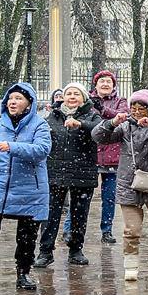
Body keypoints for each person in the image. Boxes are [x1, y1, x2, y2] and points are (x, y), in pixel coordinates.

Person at [0, 82, 51, 293]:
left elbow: (42, 151)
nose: (13, 102)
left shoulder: (40, 125)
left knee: (26, 236)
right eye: (10, 99)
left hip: (30, 189)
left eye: (18, 99)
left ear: (29, 104)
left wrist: (13, 147)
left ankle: (23, 273)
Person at [92, 89, 148, 281]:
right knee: (132, 230)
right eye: (134, 107)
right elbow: (98, 136)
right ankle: (131, 266)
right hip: (129, 183)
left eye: (142, 107)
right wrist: (111, 123)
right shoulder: (124, 127)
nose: (137, 111)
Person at [35, 83, 101, 268]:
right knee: (50, 214)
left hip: (83, 172)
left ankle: (76, 250)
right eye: (68, 93)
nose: (72, 97)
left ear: (84, 98)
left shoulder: (92, 115)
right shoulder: (52, 116)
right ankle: (45, 251)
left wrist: (81, 124)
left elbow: (100, 131)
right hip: (55, 172)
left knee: (79, 214)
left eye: (76, 94)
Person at [88, 70, 128, 244]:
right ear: (95, 84)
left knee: (109, 197)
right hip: (89, 155)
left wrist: (102, 109)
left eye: (109, 82)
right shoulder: (87, 100)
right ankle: (70, 229)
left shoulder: (121, 101)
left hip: (113, 156)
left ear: (114, 85)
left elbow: (122, 117)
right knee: (82, 195)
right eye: (101, 81)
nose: (105, 84)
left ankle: (107, 230)